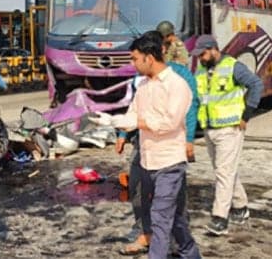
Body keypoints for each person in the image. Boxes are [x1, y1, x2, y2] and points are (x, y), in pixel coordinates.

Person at [96, 33, 201, 259]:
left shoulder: (177, 85)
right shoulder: (143, 85)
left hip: (170, 163)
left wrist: (137, 122)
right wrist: (112, 121)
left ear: (149, 58)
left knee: (160, 218)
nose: (132, 64)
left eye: (135, 59)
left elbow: (169, 123)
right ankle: (191, 254)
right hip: (148, 162)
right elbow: (132, 114)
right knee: (177, 220)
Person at [191, 35, 263, 236]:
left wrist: (246, 115)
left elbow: (256, 84)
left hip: (230, 128)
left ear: (214, 49)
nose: (201, 59)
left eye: (203, 54)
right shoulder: (201, 71)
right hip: (209, 128)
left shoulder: (233, 67)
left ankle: (220, 218)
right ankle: (241, 208)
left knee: (224, 172)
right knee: (225, 170)